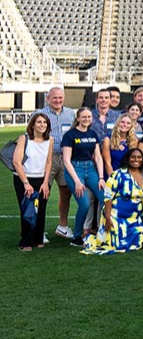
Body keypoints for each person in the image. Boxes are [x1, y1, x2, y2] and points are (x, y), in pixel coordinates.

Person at [82, 148, 143, 255]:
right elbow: (108, 197)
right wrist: (108, 217)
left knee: (135, 245)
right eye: (133, 157)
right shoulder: (117, 174)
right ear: (128, 159)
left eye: (139, 157)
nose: (136, 160)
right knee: (115, 246)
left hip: (136, 218)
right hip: (117, 215)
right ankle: (90, 239)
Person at [62, 107, 105, 245]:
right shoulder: (70, 135)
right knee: (85, 204)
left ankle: (104, 231)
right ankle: (77, 236)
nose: (86, 119)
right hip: (75, 170)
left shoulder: (93, 134)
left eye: (89, 117)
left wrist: (101, 177)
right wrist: (77, 181)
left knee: (106, 199)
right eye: (84, 117)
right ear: (78, 118)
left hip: (91, 169)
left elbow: (98, 157)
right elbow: (66, 160)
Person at [12, 114, 53, 250]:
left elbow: (49, 162)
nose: (42, 125)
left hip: (41, 179)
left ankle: (38, 239)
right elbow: (16, 162)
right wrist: (26, 183)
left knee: (41, 208)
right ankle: (25, 242)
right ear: (33, 125)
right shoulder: (24, 138)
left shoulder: (50, 140)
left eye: (45, 122)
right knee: (28, 210)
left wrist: (46, 182)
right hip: (24, 178)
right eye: (39, 122)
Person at [42, 87, 76, 240]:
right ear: (48, 98)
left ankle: (62, 226)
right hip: (46, 158)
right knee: (42, 193)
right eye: (54, 98)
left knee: (66, 192)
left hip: (66, 157)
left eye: (60, 98)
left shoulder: (71, 113)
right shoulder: (40, 114)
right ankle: (39, 229)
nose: (57, 100)